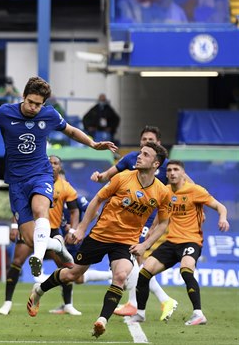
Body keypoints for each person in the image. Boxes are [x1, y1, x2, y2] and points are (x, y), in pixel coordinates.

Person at [0, 76, 117, 278]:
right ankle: (57, 244)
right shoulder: (5, 112)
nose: (34, 108)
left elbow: (71, 131)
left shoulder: (49, 115)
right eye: (31, 102)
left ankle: (39, 259)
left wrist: (93, 144)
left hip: (40, 173)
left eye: (38, 104)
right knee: (31, 239)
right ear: (23, 96)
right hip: (16, 181)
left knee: (39, 210)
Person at [27, 142, 172, 339]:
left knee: (120, 276)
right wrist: (81, 229)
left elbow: (163, 223)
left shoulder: (162, 192)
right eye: (140, 153)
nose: (139, 157)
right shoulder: (122, 178)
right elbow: (97, 200)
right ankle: (39, 290)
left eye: (145, 155)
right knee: (73, 275)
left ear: (156, 164)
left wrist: (145, 245)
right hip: (100, 235)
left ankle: (101, 321)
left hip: (125, 242)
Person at [91, 125, 178, 320]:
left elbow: (181, 183)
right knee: (134, 261)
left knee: (134, 256)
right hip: (122, 218)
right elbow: (109, 174)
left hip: (145, 218)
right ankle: (150, 302)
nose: (146, 143)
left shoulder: (162, 164)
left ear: (158, 145)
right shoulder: (131, 158)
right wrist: (100, 177)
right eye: (144, 140)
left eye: (151, 141)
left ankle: (141, 303)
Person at [131, 160, 229, 325]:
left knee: (186, 270)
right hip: (171, 243)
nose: (172, 173)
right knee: (144, 272)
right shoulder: (165, 191)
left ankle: (198, 313)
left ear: (183, 173)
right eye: (169, 170)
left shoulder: (195, 191)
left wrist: (223, 218)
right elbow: (159, 218)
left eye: (176, 170)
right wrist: (149, 235)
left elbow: (221, 207)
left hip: (191, 241)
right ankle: (140, 313)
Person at [0, 155, 82, 316]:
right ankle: (7, 303)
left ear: (60, 167)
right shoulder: (33, 181)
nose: (52, 165)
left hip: (52, 230)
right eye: (49, 162)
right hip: (31, 228)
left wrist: (73, 230)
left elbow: (74, 210)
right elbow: (19, 205)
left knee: (66, 268)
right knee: (16, 262)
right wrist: (15, 225)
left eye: (56, 163)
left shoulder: (65, 187)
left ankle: (68, 304)